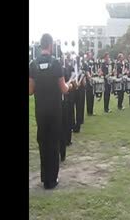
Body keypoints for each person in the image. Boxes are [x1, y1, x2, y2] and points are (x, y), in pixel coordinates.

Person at [29, 33, 74, 189]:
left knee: (43, 142)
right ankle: (52, 180)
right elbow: (64, 89)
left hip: (40, 111)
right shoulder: (55, 64)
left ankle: (44, 177)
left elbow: (30, 90)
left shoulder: (33, 64)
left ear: (41, 45)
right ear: (51, 45)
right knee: (53, 143)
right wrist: (70, 85)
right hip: (55, 110)